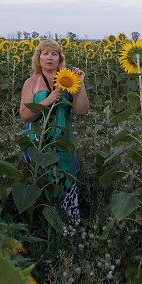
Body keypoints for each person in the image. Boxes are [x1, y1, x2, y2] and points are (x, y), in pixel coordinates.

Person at [20, 39, 89, 225]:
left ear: (60, 59)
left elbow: (81, 110)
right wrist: (48, 100)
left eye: (54, 54)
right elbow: (25, 115)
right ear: (38, 58)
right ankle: (40, 225)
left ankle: (67, 227)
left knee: (65, 180)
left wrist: (80, 84)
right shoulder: (31, 82)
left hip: (61, 142)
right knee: (40, 182)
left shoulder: (68, 80)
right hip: (38, 143)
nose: (49, 57)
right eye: (45, 53)